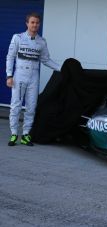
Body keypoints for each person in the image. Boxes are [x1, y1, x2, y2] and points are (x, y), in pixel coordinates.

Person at [6, 12, 61, 146]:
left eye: (37, 22)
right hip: (19, 76)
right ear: (27, 23)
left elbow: (46, 60)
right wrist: (9, 75)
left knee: (31, 107)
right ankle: (14, 134)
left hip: (34, 78)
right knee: (16, 107)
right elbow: (10, 57)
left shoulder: (42, 41)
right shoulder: (17, 37)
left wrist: (62, 68)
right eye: (32, 22)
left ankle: (25, 135)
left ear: (39, 24)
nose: (35, 25)